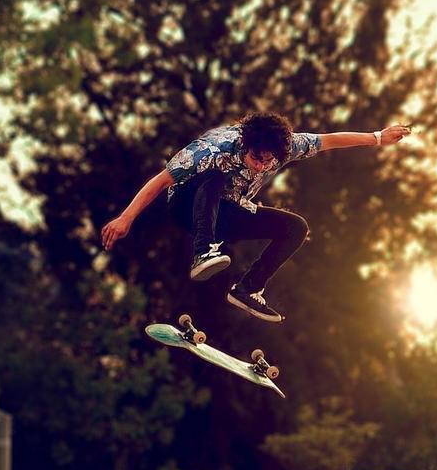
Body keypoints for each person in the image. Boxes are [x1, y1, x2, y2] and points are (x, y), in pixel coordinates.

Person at [101, 112, 412, 322]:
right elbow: (161, 180)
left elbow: (328, 140)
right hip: (186, 205)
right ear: (245, 145)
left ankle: (248, 288)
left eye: (269, 162)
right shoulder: (212, 148)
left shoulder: (287, 147)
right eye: (255, 159)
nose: (261, 166)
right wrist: (126, 218)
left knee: (295, 227)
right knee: (215, 177)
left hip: (228, 212)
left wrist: (376, 137)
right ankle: (201, 252)